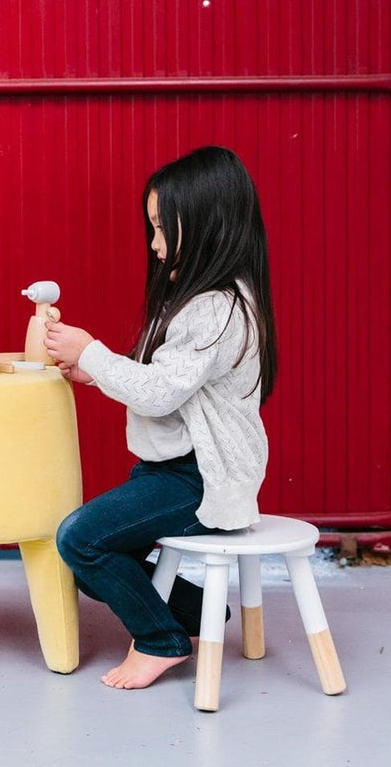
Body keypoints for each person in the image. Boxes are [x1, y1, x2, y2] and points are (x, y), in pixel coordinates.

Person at [44, 146, 277, 691]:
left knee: (80, 540)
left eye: (162, 228)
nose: (153, 244)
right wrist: (97, 374)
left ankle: (160, 640)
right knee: (93, 555)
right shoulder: (210, 301)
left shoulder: (215, 309)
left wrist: (90, 351)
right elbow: (170, 388)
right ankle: (195, 615)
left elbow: (155, 393)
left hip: (200, 475)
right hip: (174, 470)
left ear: (207, 227)